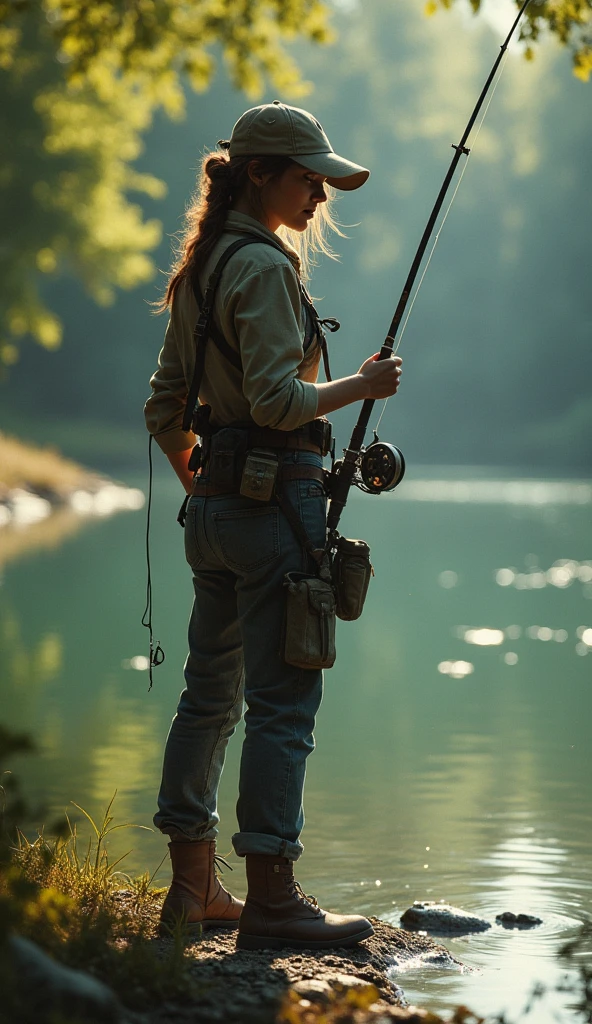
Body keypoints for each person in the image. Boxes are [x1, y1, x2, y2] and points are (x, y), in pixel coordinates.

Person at [144, 101, 402, 950]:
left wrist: (210, 487)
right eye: (308, 178)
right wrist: (360, 388)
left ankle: (193, 892)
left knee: (207, 698)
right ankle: (274, 901)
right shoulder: (260, 268)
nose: (321, 196)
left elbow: (164, 407)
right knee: (284, 703)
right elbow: (275, 402)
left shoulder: (202, 267)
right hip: (273, 511)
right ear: (260, 173)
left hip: (213, 510)